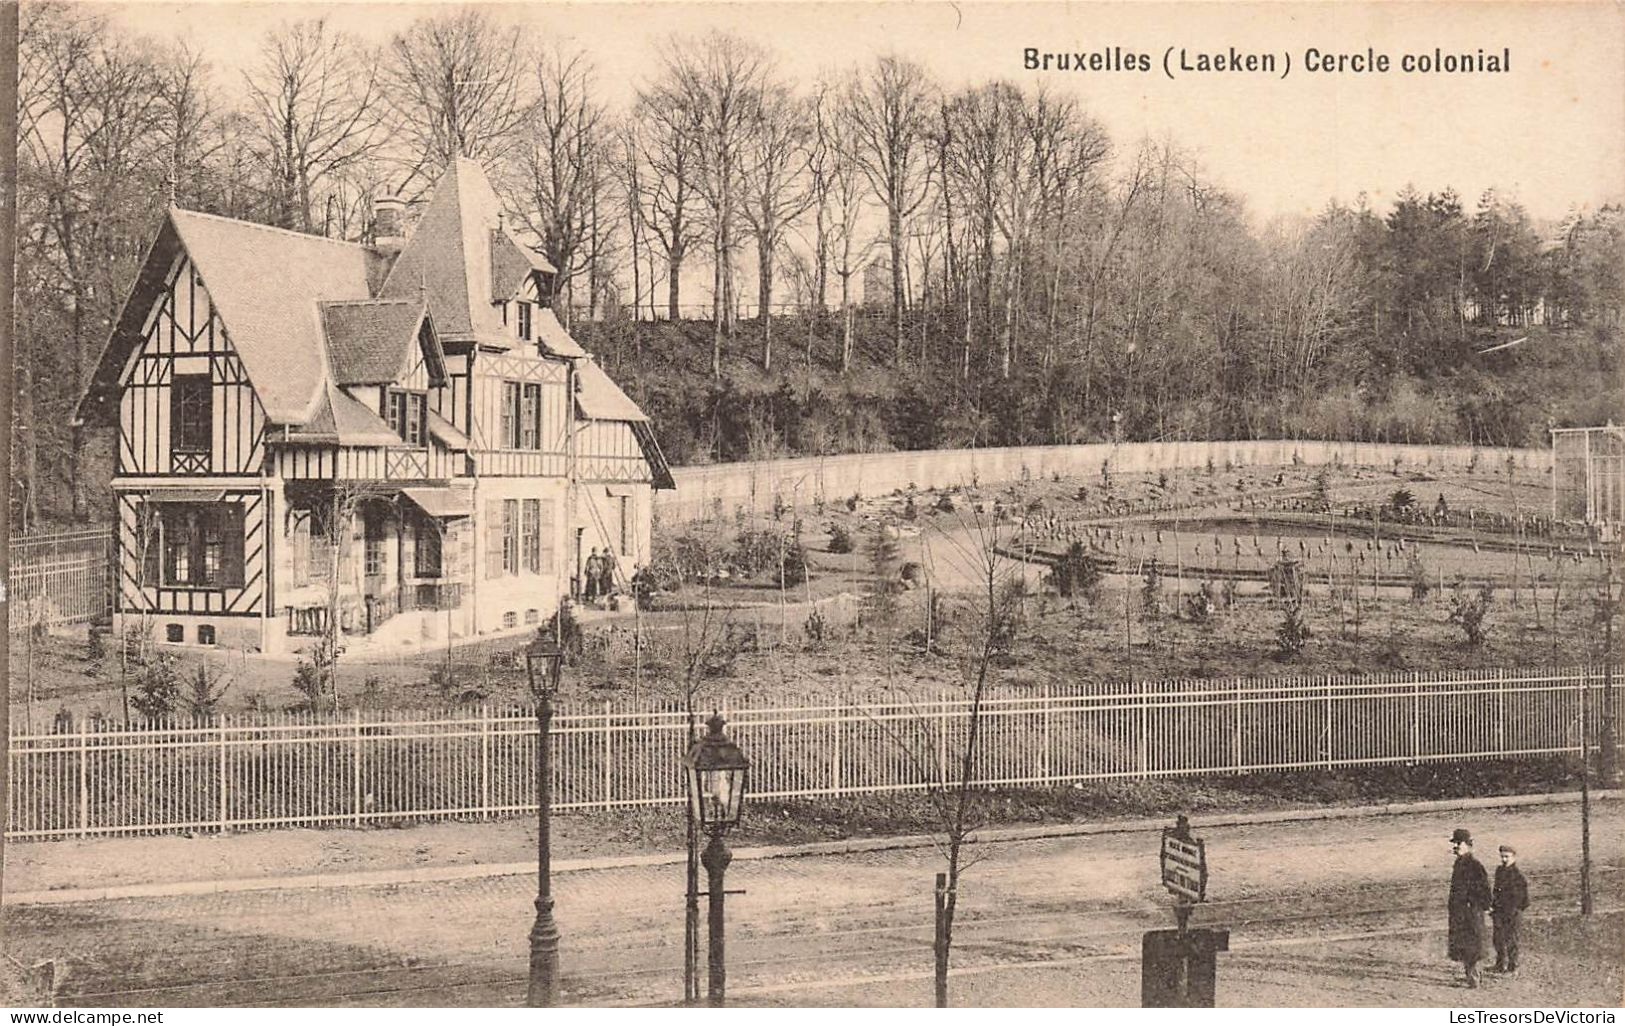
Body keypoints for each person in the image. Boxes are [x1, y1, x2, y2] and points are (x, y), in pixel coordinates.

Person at [1448, 828, 1493, 988]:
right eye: (1455, 843)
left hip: (1470, 912)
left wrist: (1478, 905)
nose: (1456, 846)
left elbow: (1485, 890)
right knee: (1464, 944)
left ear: (1468, 845)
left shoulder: (1474, 865)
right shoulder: (1459, 863)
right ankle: (1470, 975)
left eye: (1458, 843)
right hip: (1460, 911)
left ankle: (1473, 978)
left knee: (1471, 945)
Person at [1491, 845, 1530, 974]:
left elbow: (1524, 898)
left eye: (1507, 857)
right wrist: (1493, 907)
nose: (1504, 859)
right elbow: (1496, 891)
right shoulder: (1499, 871)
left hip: (1512, 912)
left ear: (1514, 857)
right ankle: (1500, 964)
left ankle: (1512, 966)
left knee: (1511, 939)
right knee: (1498, 939)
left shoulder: (1517, 876)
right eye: (1502, 857)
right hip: (1499, 912)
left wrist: (1516, 910)